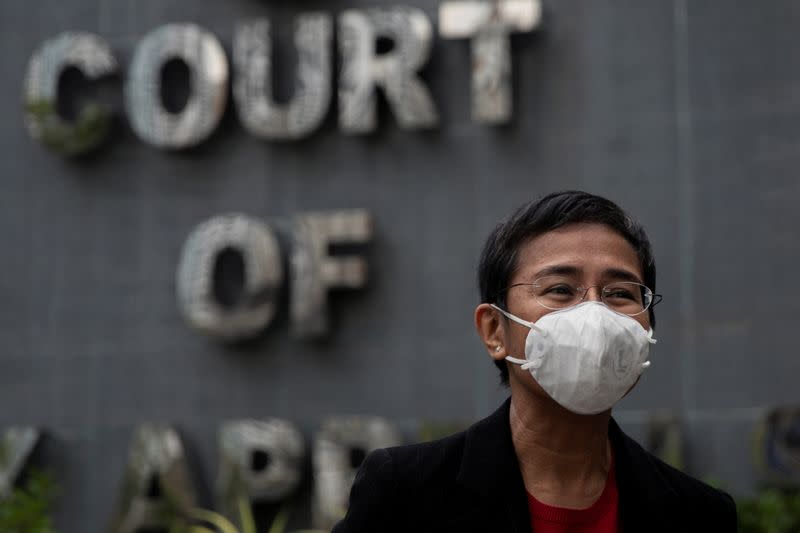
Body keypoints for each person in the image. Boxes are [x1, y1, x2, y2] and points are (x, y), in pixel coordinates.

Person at [332, 191, 737, 532]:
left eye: (620, 293)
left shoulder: (699, 515)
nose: (594, 314)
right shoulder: (406, 493)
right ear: (494, 329)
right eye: (561, 289)